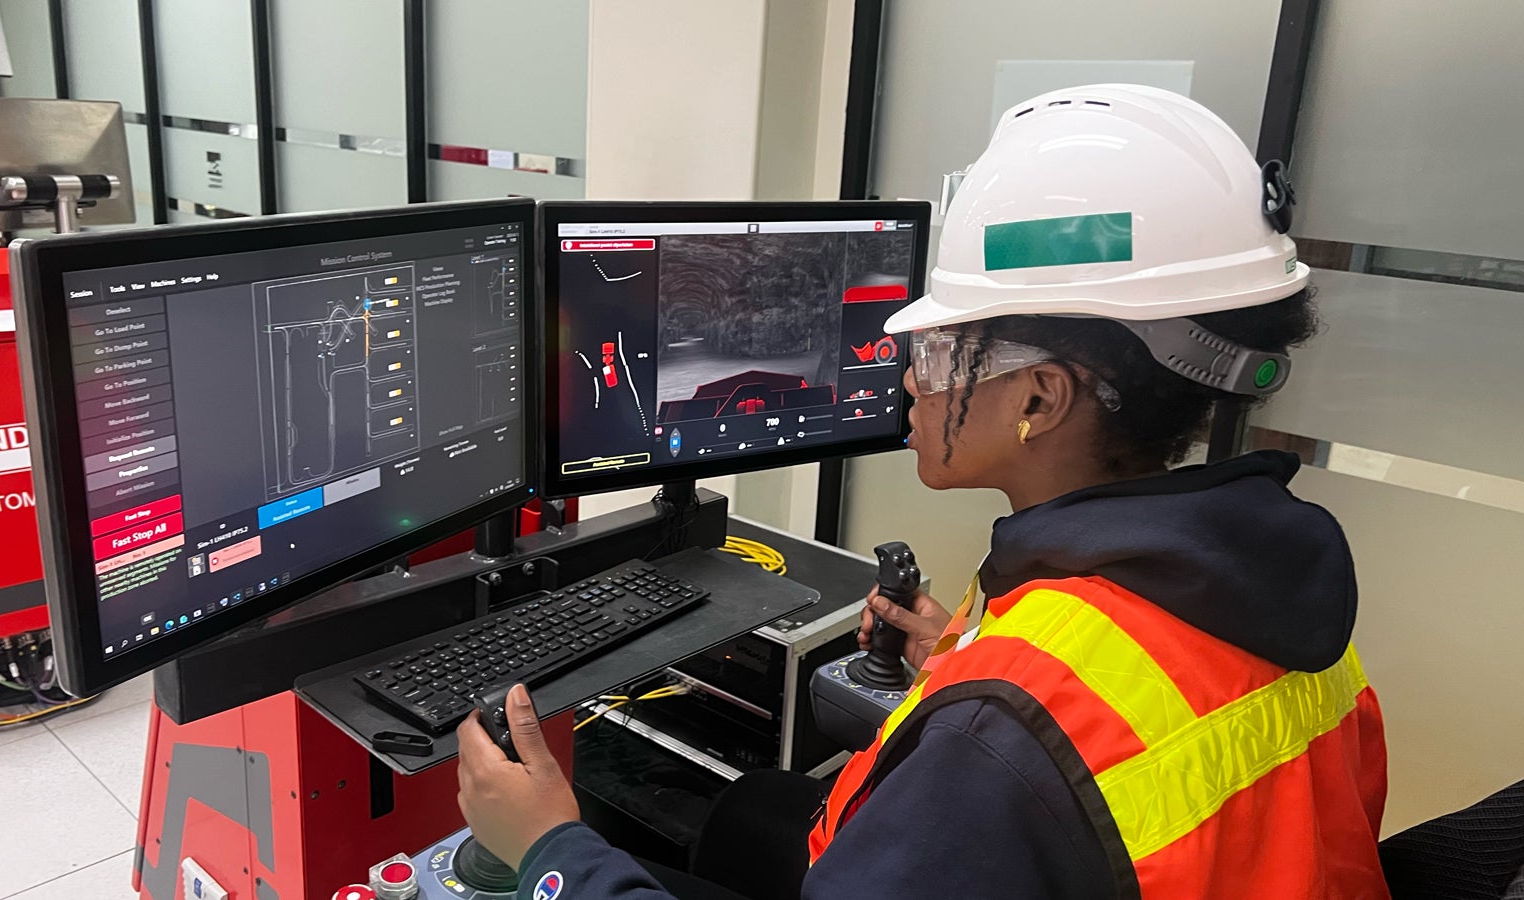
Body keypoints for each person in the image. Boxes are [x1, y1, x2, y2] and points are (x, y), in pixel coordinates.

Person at [455, 84, 1392, 899]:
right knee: (751, 812)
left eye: (941, 350)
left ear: (1040, 396)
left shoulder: (998, 737)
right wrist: (962, 655)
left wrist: (549, 851)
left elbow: (1031, 760)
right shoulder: (1283, 605)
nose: (904, 375)